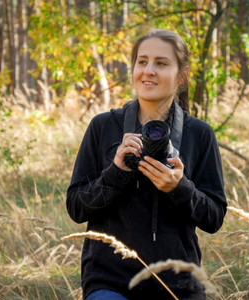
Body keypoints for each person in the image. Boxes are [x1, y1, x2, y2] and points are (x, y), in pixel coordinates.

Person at [66, 29, 227, 300]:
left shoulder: (198, 133)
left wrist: (179, 188)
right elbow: (76, 207)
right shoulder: (104, 126)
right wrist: (116, 172)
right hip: (110, 281)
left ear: (182, 76)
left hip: (179, 285)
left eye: (161, 63)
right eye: (142, 61)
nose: (148, 70)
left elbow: (214, 218)